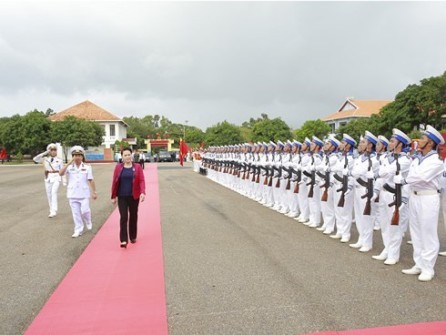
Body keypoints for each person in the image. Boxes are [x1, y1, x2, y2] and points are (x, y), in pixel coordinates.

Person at [399, 125, 444, 281]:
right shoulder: (417, 159)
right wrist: (411, 178)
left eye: (423, 138)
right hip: (415, 196)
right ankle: (419, 263)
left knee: (428, 232)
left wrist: (405, 179)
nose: (419, 141)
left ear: (430, 143)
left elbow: (421, 177)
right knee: (416, 232)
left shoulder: (436, 161)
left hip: (428, 197)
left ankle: (428, 268)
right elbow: (415, 175)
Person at [59, 146, 97, 238]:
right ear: (72, 156)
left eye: (79, 155)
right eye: (75, 155)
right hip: (72, 194)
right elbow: (60, 173)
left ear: (82, 156)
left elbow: (91, 180)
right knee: (76, 213)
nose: (77, 157)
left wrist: (94, 191)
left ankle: (88, 220)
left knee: (85, 211)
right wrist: (68, 163)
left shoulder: (87, 167)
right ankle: (78, 229)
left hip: (83, 193)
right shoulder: (69, 167)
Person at [111, 148, 146, 248]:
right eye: (125, 155)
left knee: (133, 216)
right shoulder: (118, 167)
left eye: (129, 155)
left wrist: (142, 192)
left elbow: (141, 181)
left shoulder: (138, 167)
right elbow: (114, 182)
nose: (127, 157)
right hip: (122, 196)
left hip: (134, 196)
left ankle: (133, 236)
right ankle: (123, 240)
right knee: (123, 217)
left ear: (132, 155)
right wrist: (113, 196)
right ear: (122, 157)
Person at [33, 143, 65, 218]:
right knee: (49, 194)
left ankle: (54, 210)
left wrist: (64, 181)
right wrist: (45, 152)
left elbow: (62, 170)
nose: (53, 152)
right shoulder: (45, 159)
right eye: (52, 150)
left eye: (55, 150)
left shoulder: (59, 160)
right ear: (49, 151)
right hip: (48, 178)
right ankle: (51, 210)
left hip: (57, 177)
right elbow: (35, 159)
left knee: (54, 192)